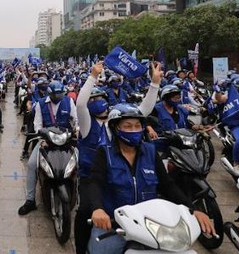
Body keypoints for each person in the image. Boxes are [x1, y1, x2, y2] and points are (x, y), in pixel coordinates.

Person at [86, 105, 214, 253]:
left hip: (148, 224)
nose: (134, 130)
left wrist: (193, 209)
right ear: (115, 128)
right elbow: (95, 182)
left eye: (137, 126)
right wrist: (98, 209)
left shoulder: (150, 151)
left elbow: (167, 185)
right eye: (127, 126)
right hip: (114, 224)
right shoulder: (104, 153)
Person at [74, 61, 163, 254]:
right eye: (92, 99)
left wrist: (155, 83)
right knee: (83, 212)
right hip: (91, 179)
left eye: (99, 98)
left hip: (119, 178)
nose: (95, 102)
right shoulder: (88, 125)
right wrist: (93, 76)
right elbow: (80, 104)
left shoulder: (117, 123)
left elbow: (143, 110)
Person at [18, 80, 78, 215]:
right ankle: (30, 200)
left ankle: (79, 195)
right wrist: (42, 138)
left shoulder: (69, 102)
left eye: (60, 94)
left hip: (66, 141)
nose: (58, 97)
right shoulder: (40, 104)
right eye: (55, 95)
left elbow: (75, 120)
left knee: (80, 163)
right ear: (49, 93)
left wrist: (76, 131)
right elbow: (38, 124)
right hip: (46, 141)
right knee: (32, 164)